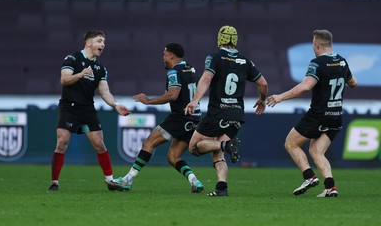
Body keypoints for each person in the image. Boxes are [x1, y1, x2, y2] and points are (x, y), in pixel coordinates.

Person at [267, 29, 358, 197]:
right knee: (317, 152)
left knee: (290, 143)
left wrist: (280, 97)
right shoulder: (342, 61)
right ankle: (330, 187)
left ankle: (308, 176)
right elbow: (353, 83)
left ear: (316, 45)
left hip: (318, 115)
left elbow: (305, 87)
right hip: (336, 116)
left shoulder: (317, 63)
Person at [184, 25, 268, 197]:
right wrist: (262, 99)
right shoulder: (245, 61)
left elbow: (207, 78)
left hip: (218, 112)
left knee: (193, 147)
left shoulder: (214, 57)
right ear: (235, 40)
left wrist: (195, 100)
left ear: (220, 39)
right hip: (237, 114)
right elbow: (264, 84)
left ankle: (227, 145)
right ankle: (222, 187)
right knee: (217, 151)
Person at [111, 43, 204, 193]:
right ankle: (195, 181)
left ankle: (127, 180)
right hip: (194, 118)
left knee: (148, 143)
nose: (163, 58)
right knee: (173, 157)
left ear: (171, 55)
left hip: (180, 118)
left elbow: (173, 95)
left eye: (165, 54)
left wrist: (148, 101)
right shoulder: (190, 68)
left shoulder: (174, 72)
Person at [48, 30, 131, 191]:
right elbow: (64, 80)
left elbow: (105, 92)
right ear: (88, 43)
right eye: (99, 41)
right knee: (62, 142)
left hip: (87, 109)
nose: (103, 45)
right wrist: (81, 74)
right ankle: (54, 182)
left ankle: (110, 181)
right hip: (69, 107)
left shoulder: (100, 68)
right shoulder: (72, 58)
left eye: (104, 42)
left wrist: (115, 105)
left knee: (100, 144)